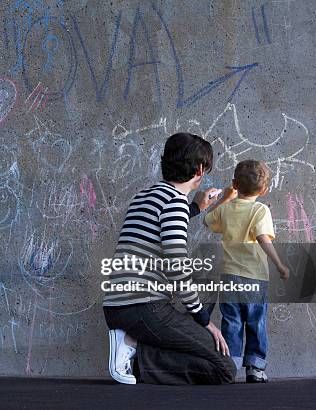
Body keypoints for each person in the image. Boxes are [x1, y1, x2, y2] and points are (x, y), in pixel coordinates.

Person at [103, 132, 236, 385]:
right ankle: (136, 352)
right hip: (143, 306)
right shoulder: (174, 203)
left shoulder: (144, 197)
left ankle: (136, 341)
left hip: (118, 303)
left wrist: (196, 208)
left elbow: (161, 223)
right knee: (224, 369)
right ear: (199, 169)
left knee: (206, 285)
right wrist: (204, 321)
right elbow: (176, 266)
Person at [203, 160, 290, 383]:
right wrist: (279, 264)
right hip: (254, 277)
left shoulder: (226, 209)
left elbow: (206, 220)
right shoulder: (260, 210)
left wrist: (225, 197)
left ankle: (229, 367)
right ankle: (255, 368)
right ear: (264, 190)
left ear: (234, 184)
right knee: (255, 320)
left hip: (229, 276)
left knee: (231, 321)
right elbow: (263, 239)